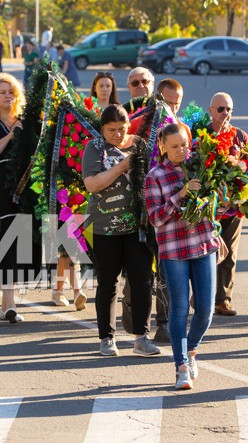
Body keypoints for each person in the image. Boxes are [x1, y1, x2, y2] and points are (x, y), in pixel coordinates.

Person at [145, 123, 218, 390]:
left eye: (185, 145)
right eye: (174, 146)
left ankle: (192, 348)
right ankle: (181, 367)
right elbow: (155, 218)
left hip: (203, 244)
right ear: (163, 146)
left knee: (206, 310)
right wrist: (182, 193)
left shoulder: (200, 167)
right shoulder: (155, 175)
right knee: (179, 309)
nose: (181, 151)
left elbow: (213, 207)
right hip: (174, 249)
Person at [86, 104, 158, 357]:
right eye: (111, 130)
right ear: (102, 129)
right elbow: (92, 184)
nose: (117, 134)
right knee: (108, 282)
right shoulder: (94, 148)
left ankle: (142, 337)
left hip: (137, 226)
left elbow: (153, 177)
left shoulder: (140, 145)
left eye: (121, 129)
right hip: (104, 227)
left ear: (129, 125)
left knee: (142, 279)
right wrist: (120, 167)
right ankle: (106, 337)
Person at [0, 73, 39, 323]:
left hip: (20, 189)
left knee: (16, 245)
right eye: (2, 92)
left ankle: (7, 305)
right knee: (0, 241)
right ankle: (9, 304)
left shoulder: (25, 122)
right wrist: (12, 135)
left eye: (11, 92)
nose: (7, 96)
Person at [194, 92, 248, 317]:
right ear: (210, 110)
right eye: (221, 109)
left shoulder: (240, 136)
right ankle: (201, 295)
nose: (225, 114)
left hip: (233, 206)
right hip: (207, 205)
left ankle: (223, 299)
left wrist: (242, 167)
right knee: (205, 252)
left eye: (229, 110)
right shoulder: (201, 135)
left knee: (229, 253)